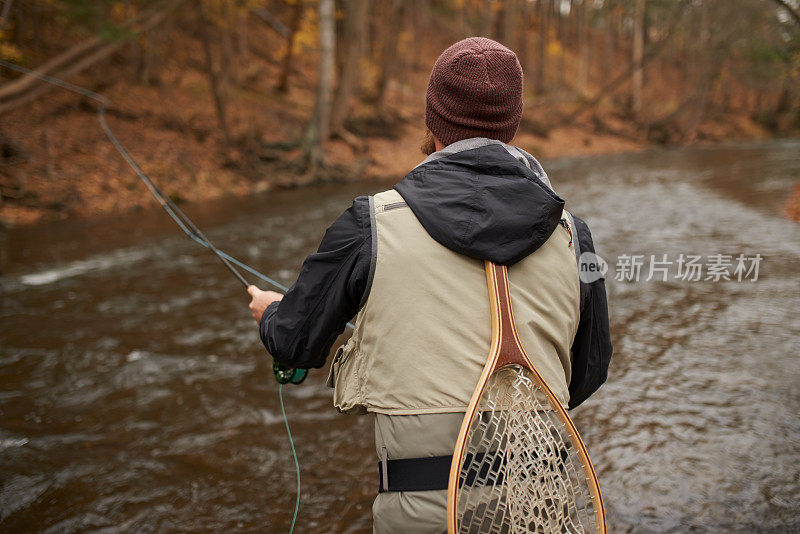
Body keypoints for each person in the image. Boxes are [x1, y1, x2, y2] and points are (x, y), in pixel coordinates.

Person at [247, 37, 613, 534]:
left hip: (419, 516)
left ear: (431, 120)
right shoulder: (577, 237)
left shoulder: (369, 223)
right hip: (538, 506)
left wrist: (271, 311)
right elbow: (588, 373)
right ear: (513, 121)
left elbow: (293, 341)